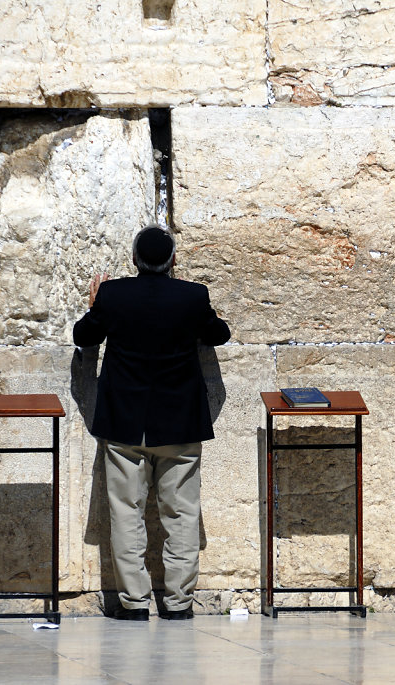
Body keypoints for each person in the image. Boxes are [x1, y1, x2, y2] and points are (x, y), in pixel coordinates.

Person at [73, 225, 231, 621]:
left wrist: (96, 306)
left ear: (134, 260)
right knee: (181, 514)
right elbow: (220, 335)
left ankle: (134, 603)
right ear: (173, 260)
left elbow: (83, 336)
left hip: (125, 423)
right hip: (179, 425)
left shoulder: (113, 295)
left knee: (126, 512)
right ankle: (178, 603)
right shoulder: (193, 296)